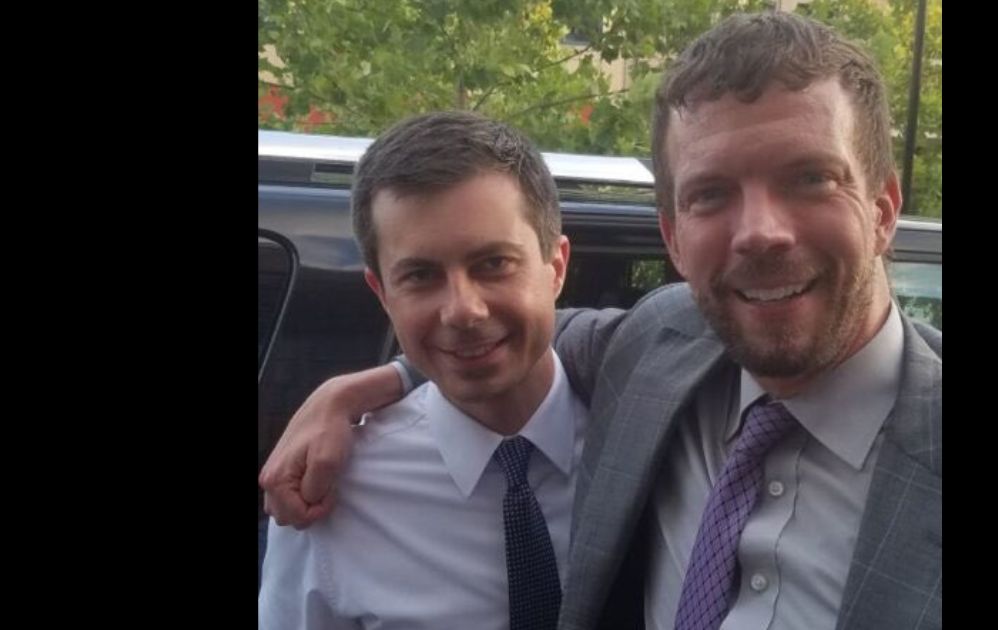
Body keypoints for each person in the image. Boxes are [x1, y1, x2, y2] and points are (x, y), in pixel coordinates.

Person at [262, 11, 942, 630]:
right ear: (673, 236)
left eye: (810, 179)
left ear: (883, 208)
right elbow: (508, 336)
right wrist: (360, 387)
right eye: (711, 194)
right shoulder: (662, 347)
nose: (760, 234)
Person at [259, 110, 586, 630]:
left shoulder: (652, 438)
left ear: (557, 266)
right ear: (382, 294)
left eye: (493, 264)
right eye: (420, 275)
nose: (463, 310)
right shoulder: (329, 495)